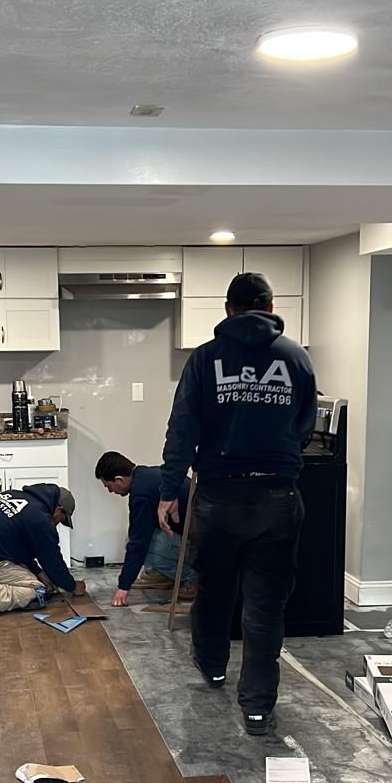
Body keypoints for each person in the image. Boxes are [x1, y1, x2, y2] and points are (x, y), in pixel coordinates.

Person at [158, 272, 317, 735]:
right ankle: (257, 708)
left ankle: (211, 666)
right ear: (270, 307)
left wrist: (169, 491)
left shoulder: (206, 359)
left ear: (227, 310)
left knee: (214, 588)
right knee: (266, 606)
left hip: (218, 497)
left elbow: (182, 429)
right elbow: (305, 424)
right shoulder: (296, 358)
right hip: (276, 497)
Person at [0, 482, 85, 620]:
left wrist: (39, 573)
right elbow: (52, 561)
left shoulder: (13, 495)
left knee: (36, 579)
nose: (56, 524)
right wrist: (72, 586)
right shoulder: (41, 520)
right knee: (38, 589)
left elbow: (20, 550)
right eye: (60, 520)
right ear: (58, 509)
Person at [94, 452, 195, 607]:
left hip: (200, 545)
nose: (110, 491)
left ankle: (193, 579)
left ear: (119, 479)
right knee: (143, 535)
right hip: (203, 536)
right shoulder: (150, 474)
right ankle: (164, 576)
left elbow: (138, 542)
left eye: (109, 486)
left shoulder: (141, 493)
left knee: (145, 542)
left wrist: (123, 587)